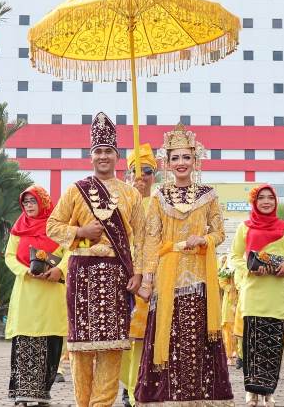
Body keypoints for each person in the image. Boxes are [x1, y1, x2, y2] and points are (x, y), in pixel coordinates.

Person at [46, 112, 146, 407]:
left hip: (118, 274)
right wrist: (81, 230)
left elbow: (140, 238)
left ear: (117, 156)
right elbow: (52, 225)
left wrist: (138, 273)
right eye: (98, 151)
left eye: (109, 152)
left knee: (112, 347)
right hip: (82, 274)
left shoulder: (131, 194)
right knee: (81, 348)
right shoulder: (75, 190)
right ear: (91, 156)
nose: (103, 156)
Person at [135, 123, 234, 406]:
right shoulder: (158, 197)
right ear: (167, 162)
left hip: (199, 278)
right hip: (167, 279)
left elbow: (220, 233)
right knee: (168, 338)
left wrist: (203, 239)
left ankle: (198, 398)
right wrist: (148, 278)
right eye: (175, 158)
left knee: (197, 340)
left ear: (195, 160)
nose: (181, 163)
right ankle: (164, 398)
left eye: (186, 157)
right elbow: (152, 240)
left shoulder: (208, 195)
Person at [229, 184, 284, 407]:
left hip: (278, 295)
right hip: (254, 294)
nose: (266, 202)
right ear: (254, 202)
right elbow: (234, 257)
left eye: (270, 198)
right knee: (252, 345)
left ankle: (269, 392)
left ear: (276, 202)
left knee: (274, 345)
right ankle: (251, 392)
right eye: (261, 198)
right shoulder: (245, 228)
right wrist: (248, 269)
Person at [5, 185, 68, 407]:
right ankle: (23, 393)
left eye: (33, 202)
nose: (29, 206)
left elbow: (69, 250)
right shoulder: (18, 227)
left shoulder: (57, 226)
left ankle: (42, 393)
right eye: (26, 202)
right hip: (27, 290)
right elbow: (10, 256)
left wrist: (59, 269)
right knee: (24, 340)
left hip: (52, 291)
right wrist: (25, 272)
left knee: (51, 341)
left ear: (43, 202)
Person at [119, 143, 157, 407]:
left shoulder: (160, 202)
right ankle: (126, 385)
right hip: (122, 276)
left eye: (147, 171)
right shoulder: (120, 200)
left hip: (151, 277)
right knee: (121, 341)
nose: (141, 176)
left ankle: (135, 391)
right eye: (135, 171)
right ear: (128, 174)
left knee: (142, 340)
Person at [217, 254, 238, 367]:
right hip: (229, 301)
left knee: (239, 328)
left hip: (241, 300)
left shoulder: (243, 262)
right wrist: (231, 289)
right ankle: (228, 355)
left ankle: (239, 354)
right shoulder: (228, 266)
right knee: (227, 329)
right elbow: (222, 281)